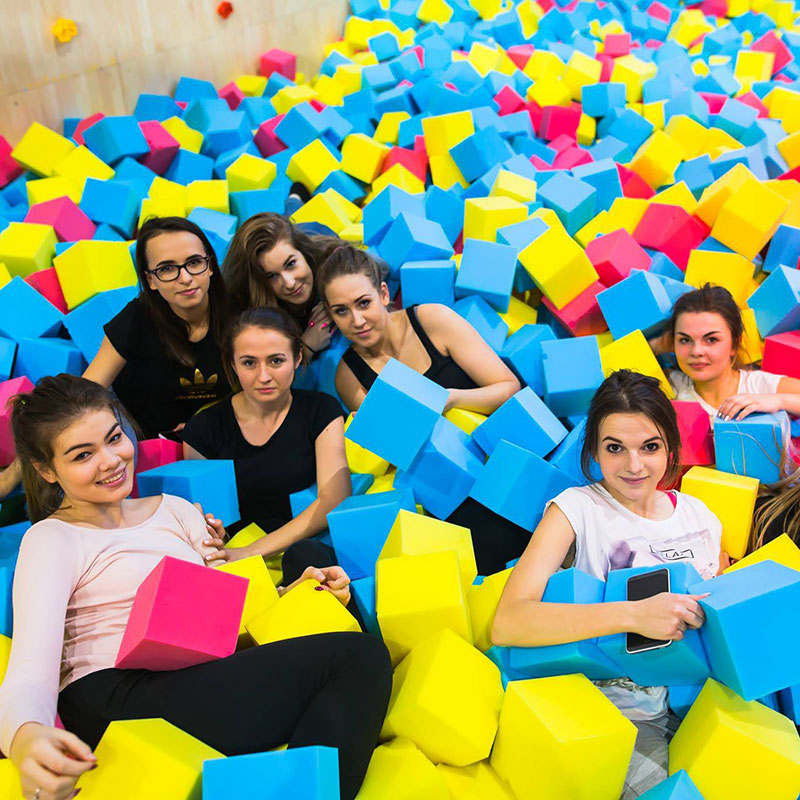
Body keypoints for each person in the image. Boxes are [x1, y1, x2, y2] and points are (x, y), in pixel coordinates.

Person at [0, 375, 391, 800]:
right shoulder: (52, 538)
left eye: (115, 437)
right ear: (44, 468)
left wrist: (293, 596)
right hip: (115, 698)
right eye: (82, 455)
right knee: (357, 659)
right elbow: (29, 670)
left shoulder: (177, 510)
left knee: (330, 602)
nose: (111, 460)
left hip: (192, 678)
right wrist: (25, 739)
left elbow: (219, 625)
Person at [492, 370, 723, 798]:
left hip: (703, 702)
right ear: (595, 451)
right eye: (615, 448)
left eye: (649, 447)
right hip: (622, 714)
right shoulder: (575, 510)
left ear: (670, 446)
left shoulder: (700, 516)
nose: (634, 466)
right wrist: (635, 614)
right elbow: (507, 622)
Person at [316, 243, 525, 574]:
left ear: (384, 293)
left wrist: (448, 398)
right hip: (449, 491)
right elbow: (398, 446)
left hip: (506, 458)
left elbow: (508, 387)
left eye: (364, 303)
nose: (357, 320)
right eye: (341, 311)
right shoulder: (349, 375)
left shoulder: (432, 319)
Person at [181, 307, 351, 582]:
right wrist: (229, 550)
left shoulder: (321, 411)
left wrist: (251, 551)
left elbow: (333, 498)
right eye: (249, 363)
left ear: (297, 358)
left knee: (308, 557)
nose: (263, 376)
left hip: (304, 550)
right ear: (233, 364)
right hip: (236, 561)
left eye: (275, 361)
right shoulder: (204, 428)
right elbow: (206, 522)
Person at [83, 216, 232, 440]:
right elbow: (84, 396)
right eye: (167, 269)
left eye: (194, 262)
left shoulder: (238, 314)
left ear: (210, 265)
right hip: (145, 436)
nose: (185, 278)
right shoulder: (136, 319)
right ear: (150, 280)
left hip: (218, 430)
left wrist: (206, 421)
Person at [650, 284, 800, 422]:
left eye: (711, 339)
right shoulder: (669, 386)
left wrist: (779, 400)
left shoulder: (759, 386)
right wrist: (657, 345)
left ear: (735, 343)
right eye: (685, 340)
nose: (696, 351)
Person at [222, 213, 342, 363]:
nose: (290, 283)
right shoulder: (247, 310)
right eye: (272, 276)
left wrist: (338, 297)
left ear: (303, 253)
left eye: (291, 264)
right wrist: (305, 347)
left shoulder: (331, 258)